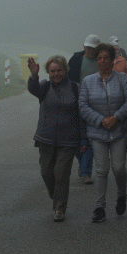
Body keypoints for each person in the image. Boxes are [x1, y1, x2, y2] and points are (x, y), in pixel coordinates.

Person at [79, 43, 127, 223]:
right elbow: (83, 106)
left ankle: (121, 195)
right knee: (101, 170)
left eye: (106, 57)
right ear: (96, 61)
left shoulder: (122, 79)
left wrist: (116, 117)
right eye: (99, 58)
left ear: (113, 60)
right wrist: (101, 120)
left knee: (118, 168)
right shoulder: (88, 81)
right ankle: (99, 207)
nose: (103, 61)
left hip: (118, 131)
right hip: (98, 133)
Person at [27, 55, 87, 222]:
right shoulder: (44, 87)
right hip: (46, 138)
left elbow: (81, 116)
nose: (56, 74)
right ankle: (57, 197)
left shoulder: (76, 88)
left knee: (61, 175)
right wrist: (33, 75)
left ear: (65, 70)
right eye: (52, 71)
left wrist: (83, 140)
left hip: (68, 140)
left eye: (59, 70)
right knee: (46, 173)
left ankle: (60, 208)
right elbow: (33, 89)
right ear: (48, 72)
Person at [68, 34, 100, 185]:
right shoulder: (75, 59)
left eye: (93, 48)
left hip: (96, 104)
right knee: (74, 138)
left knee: (90, 138)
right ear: (84, 47)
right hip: (76, 102)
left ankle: (86, 172)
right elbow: (68, 80)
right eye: (88, 48)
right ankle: (82, 163)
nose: (90, 51)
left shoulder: (102, 60)